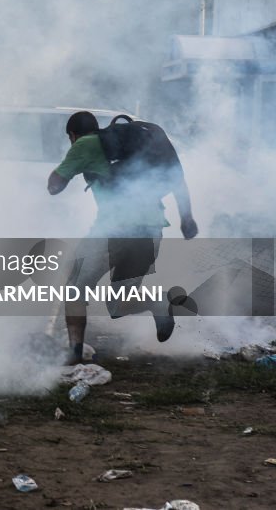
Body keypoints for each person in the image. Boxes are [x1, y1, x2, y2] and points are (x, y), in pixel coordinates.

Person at [47, 111, 198, 364]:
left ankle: (73, 353)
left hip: (114, 231)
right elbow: (177, 180)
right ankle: (159, 304)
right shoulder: (133, 147)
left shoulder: (83, 145)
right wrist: (187, 219)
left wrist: (65, 169)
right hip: (151, 231)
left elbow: (54, 186)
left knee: (74, 288)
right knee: (117, 305)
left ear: (72, 136)